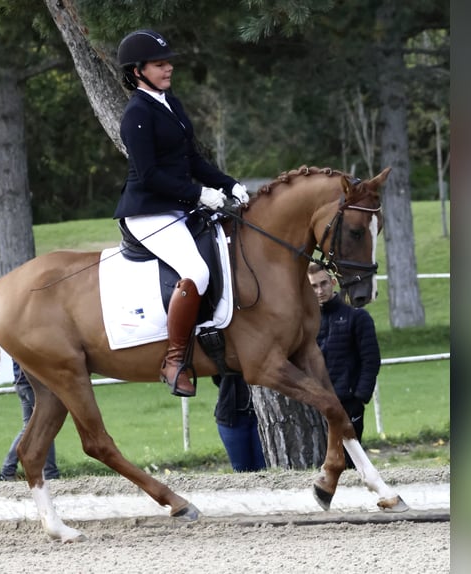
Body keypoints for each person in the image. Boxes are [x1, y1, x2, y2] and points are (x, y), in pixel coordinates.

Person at [114, 29, 249, 398]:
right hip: (147, 212)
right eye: (160, 64)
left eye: (168, 62)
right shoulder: (137, 114)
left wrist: (227, 184)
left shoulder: (169, 102)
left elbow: (192, 159)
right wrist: (199, 193)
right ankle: (174, 360)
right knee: (197, 271)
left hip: (176, 205)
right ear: (138, 71)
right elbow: (150, 175)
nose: (168, 68)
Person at [307, 262, 381, 469]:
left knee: (350, 463)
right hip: (316, 405)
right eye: (313, 286)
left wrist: (359, 397)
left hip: (348, 403)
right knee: (321, 463)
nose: (320, 291)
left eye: (323, 284)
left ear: (333, 282)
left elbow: (371, 359)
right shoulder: (305, 321)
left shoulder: (357, 316)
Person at [0, 360, 60, 481]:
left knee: (29, 427)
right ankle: (50, 473)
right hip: (32, 385)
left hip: (21, 383)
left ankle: (7, 471)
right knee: (45, 426)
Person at [212, 373, 267, 472]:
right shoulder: (225, 358)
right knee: (241, 469)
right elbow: (217, 376)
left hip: (263, 418)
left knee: (265, 467)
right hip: (231, 418)